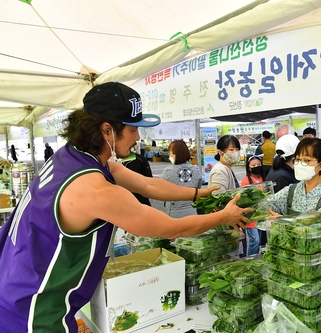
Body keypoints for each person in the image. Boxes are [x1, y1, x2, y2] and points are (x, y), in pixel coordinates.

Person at [0, 82, 251, 333]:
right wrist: (223, 216)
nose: (138, 138)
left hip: (12, 285)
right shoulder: (93, 189)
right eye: (133, 129)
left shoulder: (72, 157)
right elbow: (170, 228)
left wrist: (198, 193)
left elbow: (147, 185)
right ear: (107, 130)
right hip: (34, 315)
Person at [268, 138, 321, 216]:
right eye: (298, 159)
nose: (300, 164)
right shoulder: (292, 190)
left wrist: (283, 222)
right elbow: (268, 205)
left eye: (306, 160)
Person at [162, 140, 202, 218]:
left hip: (173, 212)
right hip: (192, 211)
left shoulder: (168, 171)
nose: (169, 155)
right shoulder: (196, 169)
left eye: (170, 153)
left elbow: (161, 190)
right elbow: (198, 189)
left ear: (176, 154)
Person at [240, 155, 265, 256]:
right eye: (253, 165)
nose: (256, 166)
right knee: (254, 241)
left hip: (262, 216)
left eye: (258, 164)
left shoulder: (262, 178)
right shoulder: (246, 181)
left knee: (258, 242)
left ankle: (254, 259)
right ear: (249, 168)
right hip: (251, 218)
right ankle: (249, 260)